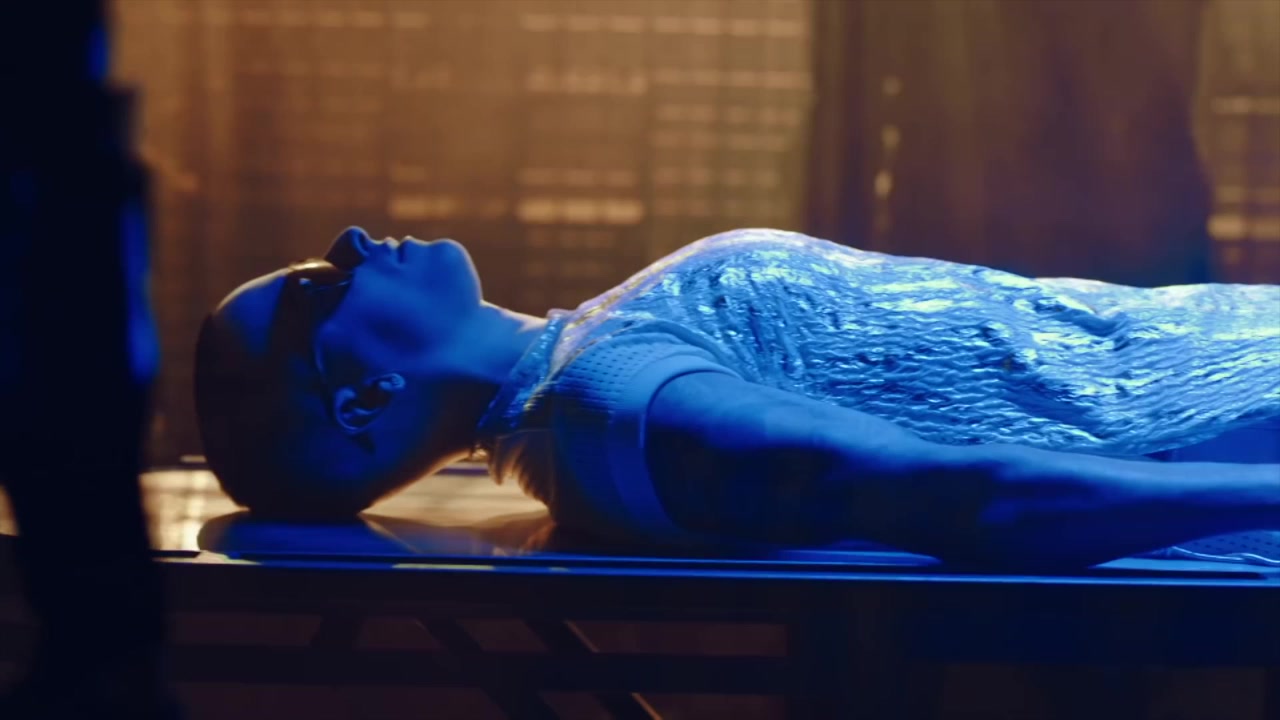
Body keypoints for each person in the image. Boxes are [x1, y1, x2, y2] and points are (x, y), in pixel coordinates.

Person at [194, 227, 1280, 570]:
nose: (347, 244)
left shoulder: (591, 375)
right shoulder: (616, 408)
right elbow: (964, 496)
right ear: (362, 402)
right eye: (314, 291)